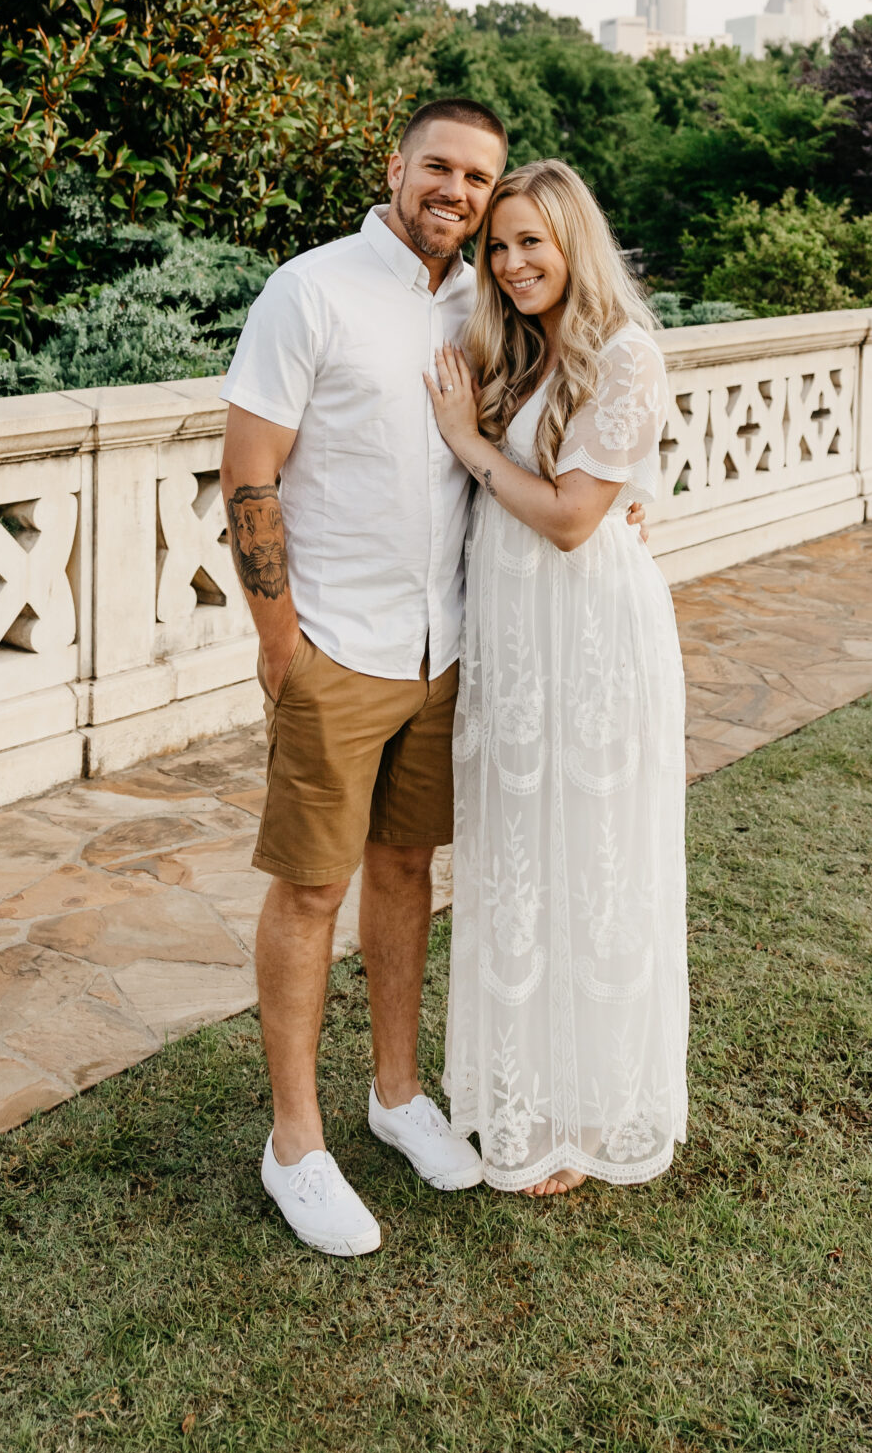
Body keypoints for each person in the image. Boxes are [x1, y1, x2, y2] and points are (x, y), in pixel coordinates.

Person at [219, 99, 510, 1257]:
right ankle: (295, 1143)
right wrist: (280, 639)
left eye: (478, 178)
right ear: (396, 166)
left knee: (405, 869)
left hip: (443, 647)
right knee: (309, 889)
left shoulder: (481, 301)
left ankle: (396, 1095)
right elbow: (249, 470)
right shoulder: (310, 290)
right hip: (337, 645)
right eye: (439, 165)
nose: (456, 191)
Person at [425, 158, 689, 1197]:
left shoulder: (626, 354)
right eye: (497, 246)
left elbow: (575, 519)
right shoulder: (520, 350)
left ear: (574, 240)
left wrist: (466, 442)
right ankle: (520, 1093)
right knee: (518, 864)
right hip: (517, 640)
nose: (509, 262)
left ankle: (588, 1114)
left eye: (530, 241)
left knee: (592, 862)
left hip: (589, 640)